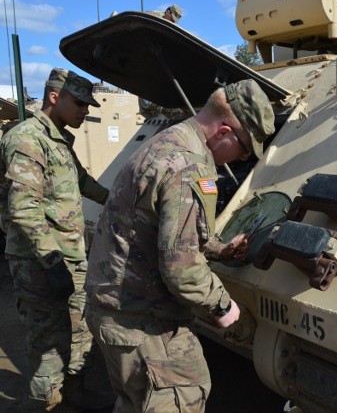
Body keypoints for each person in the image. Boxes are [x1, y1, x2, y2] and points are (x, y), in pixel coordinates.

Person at [84, 79, 275, 412]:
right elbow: (182, 272)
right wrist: (227, 310)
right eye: (245, 148)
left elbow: (155, 225)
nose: (244, 158)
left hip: (113, 313)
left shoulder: (166, 142)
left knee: (135, 401)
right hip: (145, 325)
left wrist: (217, 248)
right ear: (224, 131)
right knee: (183, 393)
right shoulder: (189, 167)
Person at [0, 68, 111, 410]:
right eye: (79, 103)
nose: (85, 111)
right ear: (54, 97)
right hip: (40, 261)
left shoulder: (58, 140)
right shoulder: (28, 138)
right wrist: (51, 262)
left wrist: (122, 202)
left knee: (80, 331)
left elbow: (82, 182)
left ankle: (73, 393)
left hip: (70, 257)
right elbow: (23, 208)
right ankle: (45, 403)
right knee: (49, 341)